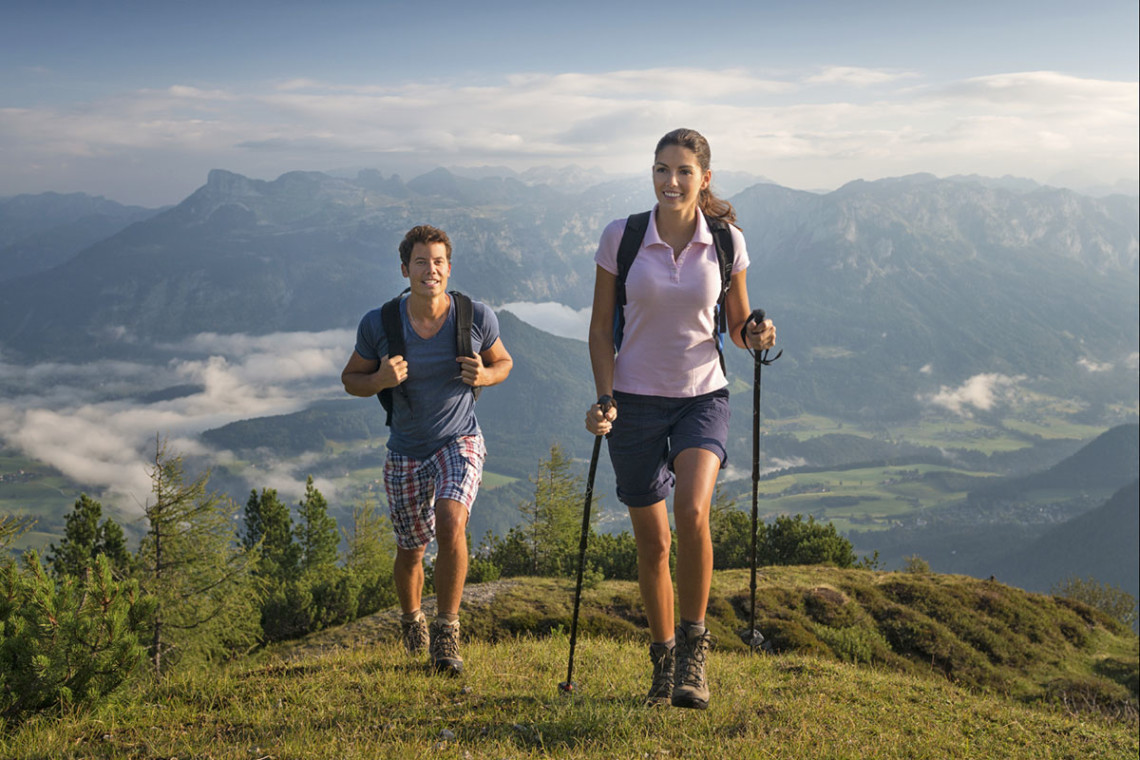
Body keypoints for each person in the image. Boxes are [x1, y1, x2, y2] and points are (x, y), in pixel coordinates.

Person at [585, 128, 776, 709]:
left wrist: (757, 334)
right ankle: (663, 661)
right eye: (661, 169)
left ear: (705, 179)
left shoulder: (725, 240)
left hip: (702, 396)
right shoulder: (622, 238)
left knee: (692, 512)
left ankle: (695, 652)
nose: (671, 181)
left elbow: (738, 326)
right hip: (633, 401)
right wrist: (604, 397)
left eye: (683, 171)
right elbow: (599, 329)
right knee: (653, 545)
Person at [342, 224, 513, 675]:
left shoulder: (474, 316)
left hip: (459, 438)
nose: (430, 270)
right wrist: (378, 379)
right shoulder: (379, 324)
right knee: (411, 550)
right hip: (405, 450)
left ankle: (446, 631)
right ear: (405, 269)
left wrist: (486, 376)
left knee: (451, 519)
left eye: (438, 262)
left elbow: (504, 363)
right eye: (421, 262)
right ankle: (412, 619)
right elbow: (350, 379)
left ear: (449, 268)